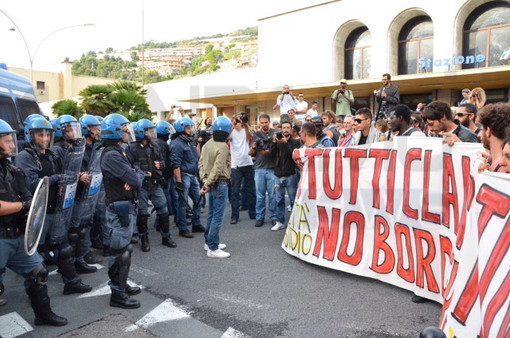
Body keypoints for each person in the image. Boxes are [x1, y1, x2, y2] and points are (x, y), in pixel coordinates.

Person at [0, 118, 68, 326]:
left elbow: (29, 194)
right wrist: (23, 206)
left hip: (17, 234)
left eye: (12, 139)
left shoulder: (11, 168)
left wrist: (29, 202)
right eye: (7, 140)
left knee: (39, 273)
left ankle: (43, 315)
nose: (13, 144)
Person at [15, 117, 92, 296]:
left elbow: (64, 173)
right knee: (37, 255)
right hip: (38, 212)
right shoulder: (24, 157)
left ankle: (71, 282)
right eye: (40, 135)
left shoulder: (52, 154)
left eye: (47, 134)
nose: (44, 138)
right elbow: (33, 184)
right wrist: (58, 179)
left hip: (55, 209)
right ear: (30, 136)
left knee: (63, 247)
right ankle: (37, 295)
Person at [100, 113, 144, 309]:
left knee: (125, 249)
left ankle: (122, 285)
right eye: (125, 129)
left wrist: (135, 176)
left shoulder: (119, 151)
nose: (128, 132)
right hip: (119, 208)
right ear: (116, 132)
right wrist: (134, 178)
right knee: (120, 252)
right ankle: (117, 294)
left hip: (125, 206)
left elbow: (136, 173)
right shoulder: (111, 155)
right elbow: (135, 179)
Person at [128, 119, 175, 251]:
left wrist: (161, 165)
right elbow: (128, 168)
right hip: (142, 186)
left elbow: (162, 162)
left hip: (155, 183)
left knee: (164, 209)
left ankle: (166, 237)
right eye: (149, 130)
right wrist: (141, 173)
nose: (152, 133)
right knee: (142, 213)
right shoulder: (132, 148)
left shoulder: (155, 146)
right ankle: (144, 239)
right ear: (141, 133)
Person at [68, 115, 104, 274]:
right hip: (79, 193)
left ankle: (84, 252)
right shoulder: (77, 147)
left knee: (89, 222)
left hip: (94, 190)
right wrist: (79, 175)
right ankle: (83, 254)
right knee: (79, 226)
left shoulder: (98, 146)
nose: (98, 131)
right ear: (86, 130)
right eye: (95, 128)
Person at [199, 116, 232, 258]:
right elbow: (218, 168)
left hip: (210, 183)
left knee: (212, 214)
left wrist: (205, 180)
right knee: (217, 216)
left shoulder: (207, 144)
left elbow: (200, 164)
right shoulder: (223, 146)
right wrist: (208, 183)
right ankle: (212, 248)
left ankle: (210, 241)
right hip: (219, 183)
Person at [170, 117, 205, 238]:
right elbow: (176, 164)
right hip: (184, 176)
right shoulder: (177, 144)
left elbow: (196, 156)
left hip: (193, 176)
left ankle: (196, 223)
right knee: (182, 203)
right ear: (181, 129)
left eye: (191, 127)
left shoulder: (188, 141)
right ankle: (183, 227)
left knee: (198, 200)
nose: (191, 130)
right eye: (188, 128)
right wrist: (179, 182)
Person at [269, 121, 301, 231]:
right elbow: (271, 155)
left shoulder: (296, 142)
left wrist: (285, 143)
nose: (286, 130)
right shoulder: (277, 141)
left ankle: (295, 223)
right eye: (284, 128)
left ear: (292, 129)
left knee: (293, 200)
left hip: (290, 174)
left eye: (288, 127)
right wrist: (274, 142)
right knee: (279, 200)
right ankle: (280, 221)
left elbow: (293, 155)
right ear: (280, 129)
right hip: (278, 174)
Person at [249, 114, 278, 227]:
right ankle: (259, 217)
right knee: (260, 196)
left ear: (269, 122)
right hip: (259, 169)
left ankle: (274, 217)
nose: (264, 124)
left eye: (266, 122)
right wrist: (254, 146)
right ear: (259, 123)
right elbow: (250, 152)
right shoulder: (256, 135)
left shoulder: (275, 132)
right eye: (262, 122)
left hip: (272, 168)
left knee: (272, 195)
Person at [153, 121, 178, 248]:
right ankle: (160, 225)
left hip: (164, 177)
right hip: (164, 178)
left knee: (164, 201)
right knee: (164, 202)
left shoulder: (159, 143)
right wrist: (164, 175)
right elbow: (163, 162)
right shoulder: (160, 144)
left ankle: (159, 224)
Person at [230, 113, 256, 224]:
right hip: (236, 166)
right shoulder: (231, 132)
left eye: (238, 121)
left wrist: (244, 122)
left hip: (248, 164)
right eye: (235, 122)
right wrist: (233, 125)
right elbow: (226, 138)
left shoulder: (245, 130)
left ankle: (253, 213)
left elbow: (250, 135)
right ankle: (234, 216)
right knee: (235, 192)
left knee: (251, 190)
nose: (236, 124)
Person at [477, 103, 510, 172]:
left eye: (481, 129)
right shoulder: (489, 164)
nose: (479, 135)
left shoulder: (503, 170)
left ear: (488, 131)